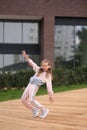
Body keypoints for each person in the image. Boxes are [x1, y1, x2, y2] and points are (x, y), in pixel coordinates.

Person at [21, 50, 54, 119]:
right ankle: (35, 110)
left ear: (49, 66)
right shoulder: (38, 70)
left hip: (35, 85)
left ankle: (44, 110)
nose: (44, 67)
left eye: (46, 66)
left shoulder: (48, 75)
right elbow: (32, 63)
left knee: (31, 99)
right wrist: (25, 57)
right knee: (23, 99)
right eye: (43, 66)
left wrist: (50, 95)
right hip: (30, 84)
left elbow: (49, 86)